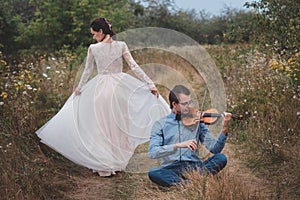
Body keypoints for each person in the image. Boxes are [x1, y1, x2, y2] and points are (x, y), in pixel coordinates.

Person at [36, 17, 169, 177]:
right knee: (119, 125)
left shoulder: (93, 48)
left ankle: (106, 165)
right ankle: (117, 162)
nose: (93, 37)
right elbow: (133, 66)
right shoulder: (121, 45)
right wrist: (150, 83)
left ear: (101, 31)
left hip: (101, 90)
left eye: (94, 33)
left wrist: (79, 88)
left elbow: (87, 71)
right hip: (119, 88)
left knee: (103, 127)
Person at [148, 85, 231, 186]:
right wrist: (178, 145)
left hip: (194, 167)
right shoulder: (160, 124)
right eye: (184, 104)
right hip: (171, 168)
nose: (189, 107)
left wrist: (224, 129)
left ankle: (183, 182)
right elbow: (153, 152)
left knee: (221, 158)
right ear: (174, 104)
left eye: (189, 103)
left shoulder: (197, 121)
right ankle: (193, 182)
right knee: (153, 173)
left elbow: (214, 149)